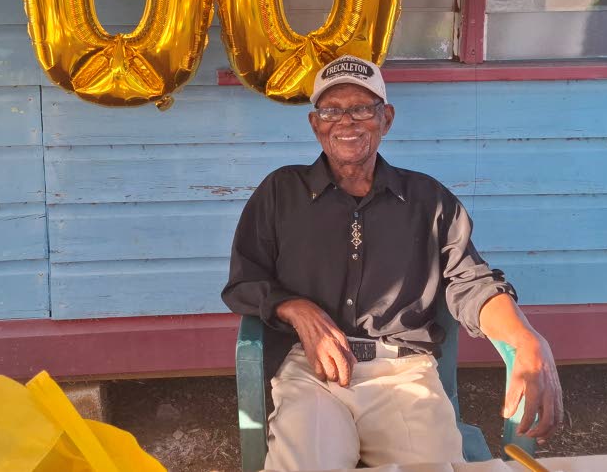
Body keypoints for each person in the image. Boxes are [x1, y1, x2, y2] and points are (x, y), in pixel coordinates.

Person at [221, 55, 563, 471]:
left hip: (404, 374)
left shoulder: (428, 200)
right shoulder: (281, 192)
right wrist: (296, 308)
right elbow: (245, 278)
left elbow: (472, 282)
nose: (346, 121)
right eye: (331, 110)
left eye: (363, 108)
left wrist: (527, 339)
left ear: (386, 119)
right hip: (314, 373)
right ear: (315, 124)